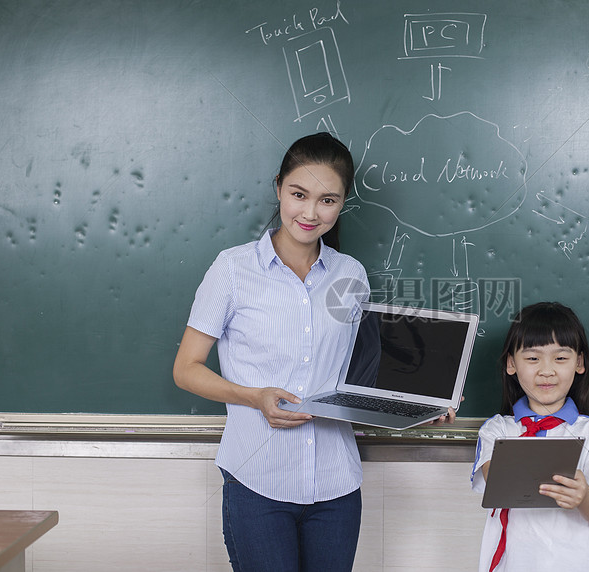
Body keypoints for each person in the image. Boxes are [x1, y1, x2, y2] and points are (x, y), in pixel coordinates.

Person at [173, 132, 452, 571]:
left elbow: (365, 375)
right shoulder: (233, 269)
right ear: (278, 187)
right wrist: (254, 396)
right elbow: (186, 369)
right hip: (256, 482)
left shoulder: (350, 274)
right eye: (298, 194)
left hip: (336, 488)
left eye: (327, 200)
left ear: (342, 204)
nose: (310, 212)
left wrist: (417, 405)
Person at [470, 302, 589, 572]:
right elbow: (497, 483)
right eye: (533, 358)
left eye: (560, 358)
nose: (547, 370)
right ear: (511, 363)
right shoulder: (496, 430)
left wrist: (584, 497)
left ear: (579, 363)